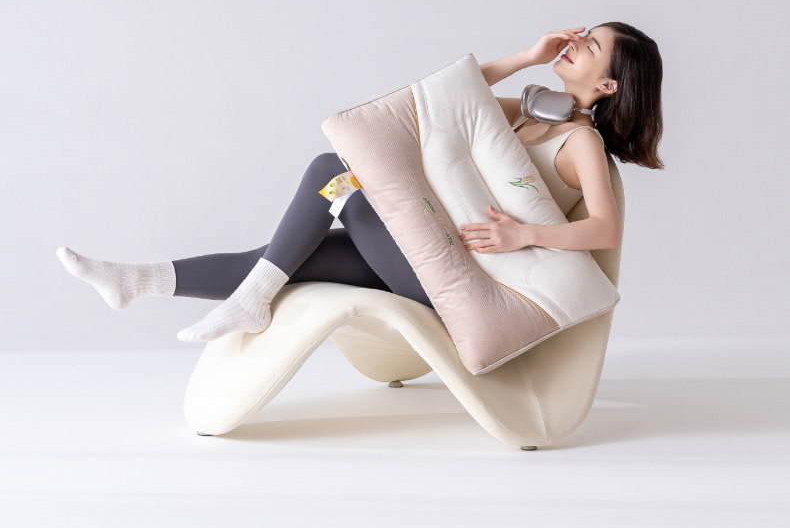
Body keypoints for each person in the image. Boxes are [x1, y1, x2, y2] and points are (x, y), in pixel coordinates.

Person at [57, 22, 663, 343]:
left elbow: (604, 229)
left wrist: (523, 234)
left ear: (607, 86)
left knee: (332, 172)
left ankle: (249, 300)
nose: (576, 42)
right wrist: (528, 57)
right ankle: (136, 281)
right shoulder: (531, 113)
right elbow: (456, 92)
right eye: (583, 33)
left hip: (456, 282)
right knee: (293, 255)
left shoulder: (579, 142)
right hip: (424, 253)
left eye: (591, 46)